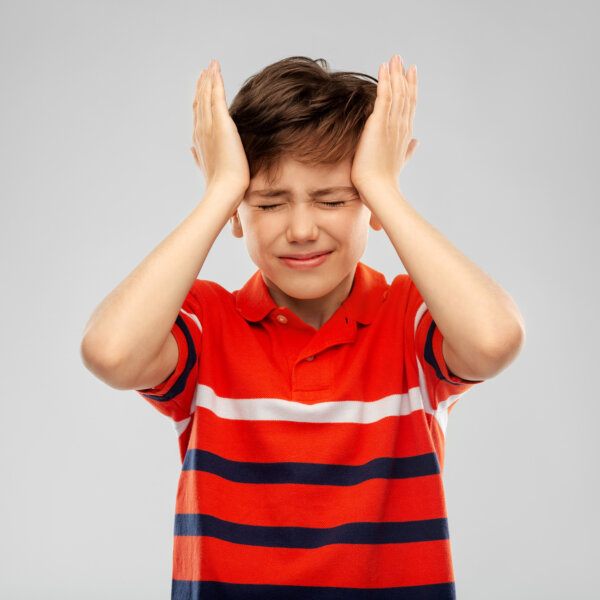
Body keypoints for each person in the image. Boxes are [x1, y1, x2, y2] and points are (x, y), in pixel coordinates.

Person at [80, 54, 525, 599]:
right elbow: (110, 353)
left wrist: (383, 188)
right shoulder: (206, 325)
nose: (301, 229)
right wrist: (221, 190)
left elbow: (494, 341)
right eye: (268, 203)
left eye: (333, 199)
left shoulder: (411, 319)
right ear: (238, 211)